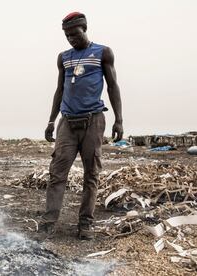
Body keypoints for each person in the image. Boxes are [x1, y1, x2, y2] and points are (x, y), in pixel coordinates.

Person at [40, 12, 123, 240]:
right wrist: (51, 120)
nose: (71, 39)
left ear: (84, 29)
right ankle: (48, 223)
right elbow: (60, 89)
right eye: (67, 36)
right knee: (57, 173)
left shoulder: (103, 53)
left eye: (75, 34)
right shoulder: (63, 57)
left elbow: (113, 86)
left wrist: (119, 119)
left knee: (91, 175)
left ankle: (85, 224)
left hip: (93, 120)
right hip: (67, 122)